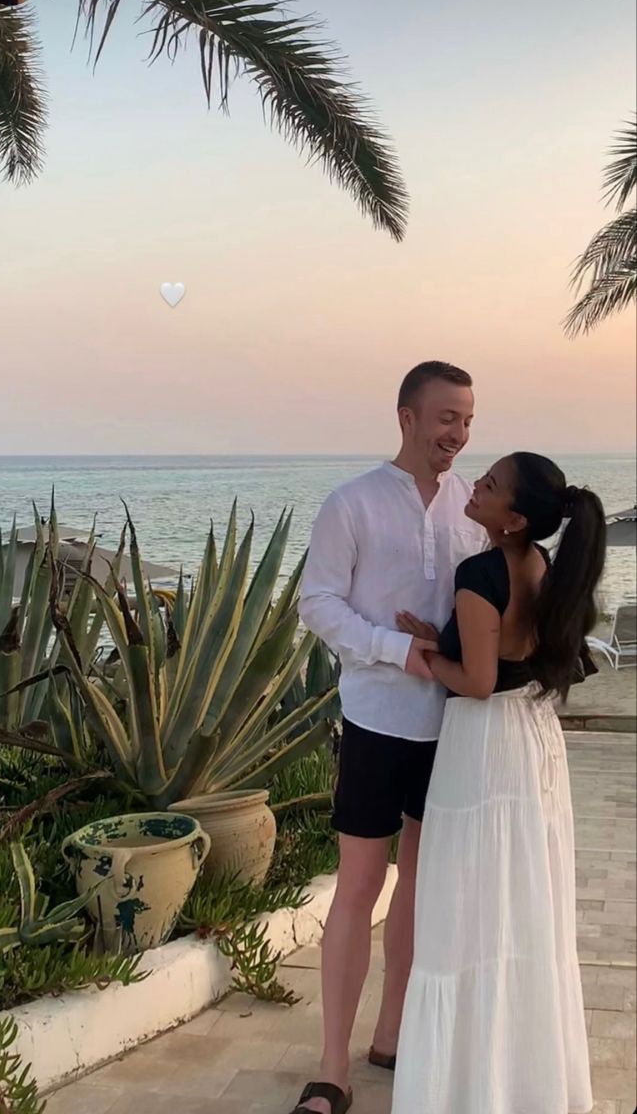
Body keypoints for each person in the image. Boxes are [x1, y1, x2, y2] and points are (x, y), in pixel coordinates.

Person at [289, 361, 490, 1114]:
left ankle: (394, 1035)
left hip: (455, 724)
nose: (457, 434)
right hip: (377, 719)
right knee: (360, 886)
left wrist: (450, 649)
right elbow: (317, 602)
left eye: (467, 420)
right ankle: (332, 1068)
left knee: (420, 885)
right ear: (406, 417)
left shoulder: (474, 505)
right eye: (445, 418)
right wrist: (393, 648)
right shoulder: (353, 503)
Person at [391, 452, 604, 1114]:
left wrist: (427, 656)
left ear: (512, 519)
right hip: (533, 737)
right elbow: (509, 658)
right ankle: (522, 1077)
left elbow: (478, 683)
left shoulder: (479, 571)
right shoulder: (540, 565)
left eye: (488, 485)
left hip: (482, 747)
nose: (475, 486)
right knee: (522, 901)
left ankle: (461, 1086)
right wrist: (446, 643)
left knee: (462, 907)